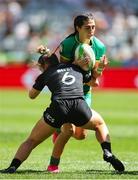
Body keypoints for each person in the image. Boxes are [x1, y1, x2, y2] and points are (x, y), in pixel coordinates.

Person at [0, 53, 125, 174]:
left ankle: (13, 167)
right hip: (78, 106)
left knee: (31, 141)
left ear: (44, 65)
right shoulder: (76, 67)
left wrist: (43, 79)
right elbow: (95, 83)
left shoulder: (45, 74)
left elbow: (32, 95)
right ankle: (107, 151)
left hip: (58, 108)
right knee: (100, 125)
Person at [37, 13, 108, 172]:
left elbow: (95, 76)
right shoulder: (68, 44)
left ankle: (59, 129)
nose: (92, 30)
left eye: (93, 27)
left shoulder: (99, 46)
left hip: (84, 93)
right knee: (68, 130)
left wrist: (100, 70)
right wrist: (76, 66)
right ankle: (53, 165)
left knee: (80, 136)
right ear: (77, 28)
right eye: (87, 27)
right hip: (66, 91)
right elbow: (62, 72)